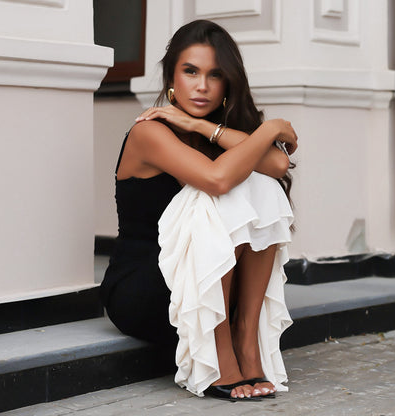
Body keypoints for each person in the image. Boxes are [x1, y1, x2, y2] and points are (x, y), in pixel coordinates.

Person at [100, 19, 298, 402]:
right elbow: (217, 180)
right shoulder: (149, 130)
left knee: (260, 183)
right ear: (172, 76)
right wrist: (271, 126)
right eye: (190, 71)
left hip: (209, 285)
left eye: (215, 75)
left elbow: (275, 166)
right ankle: (220, 356)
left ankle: (244, 336)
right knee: (225, 188)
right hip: (147, 287)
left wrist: (198, 125)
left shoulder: (211, 129)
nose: (202, 86)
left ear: (228, 84)